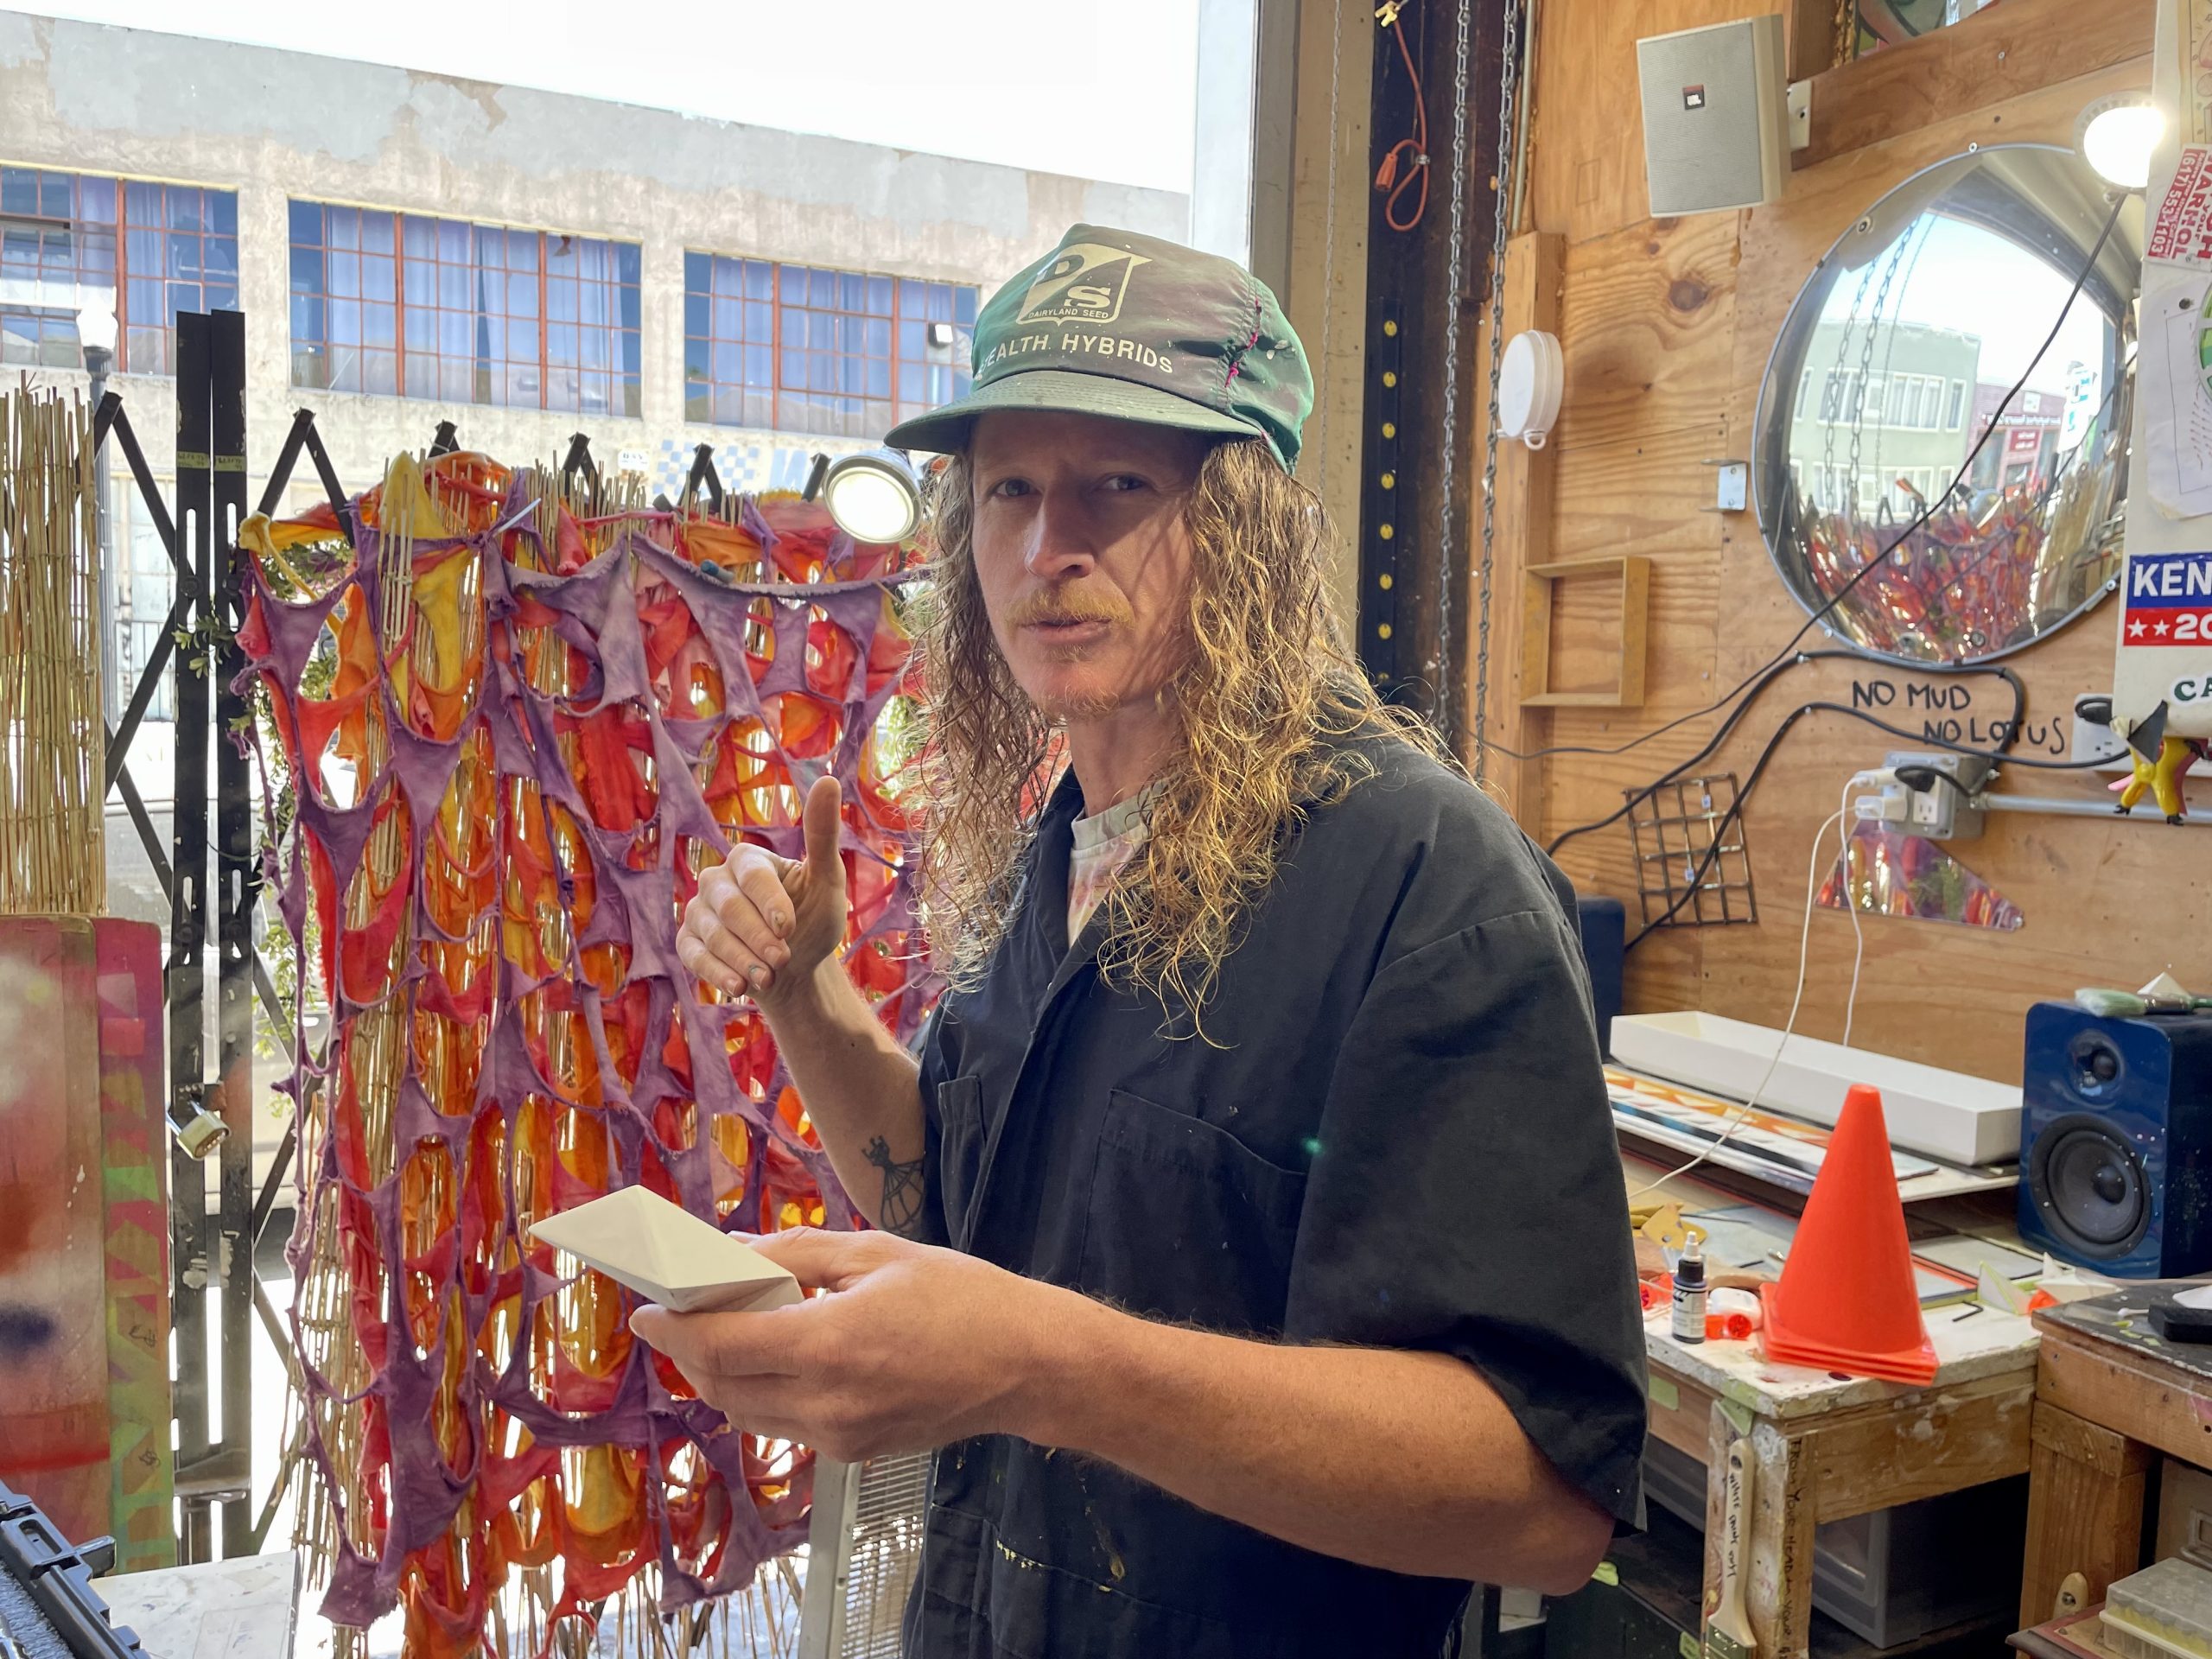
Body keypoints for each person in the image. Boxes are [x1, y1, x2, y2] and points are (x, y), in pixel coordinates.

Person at [643, 224, 1645, 1658]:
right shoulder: (1060, 851)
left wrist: (1033, 1365)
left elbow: (1540, 1497)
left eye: (1118, 484)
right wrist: (808, 995)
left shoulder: (1423, 883)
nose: (1050, 548)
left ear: (1242, 525)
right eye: (1010, 490)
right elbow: (952, 1206)